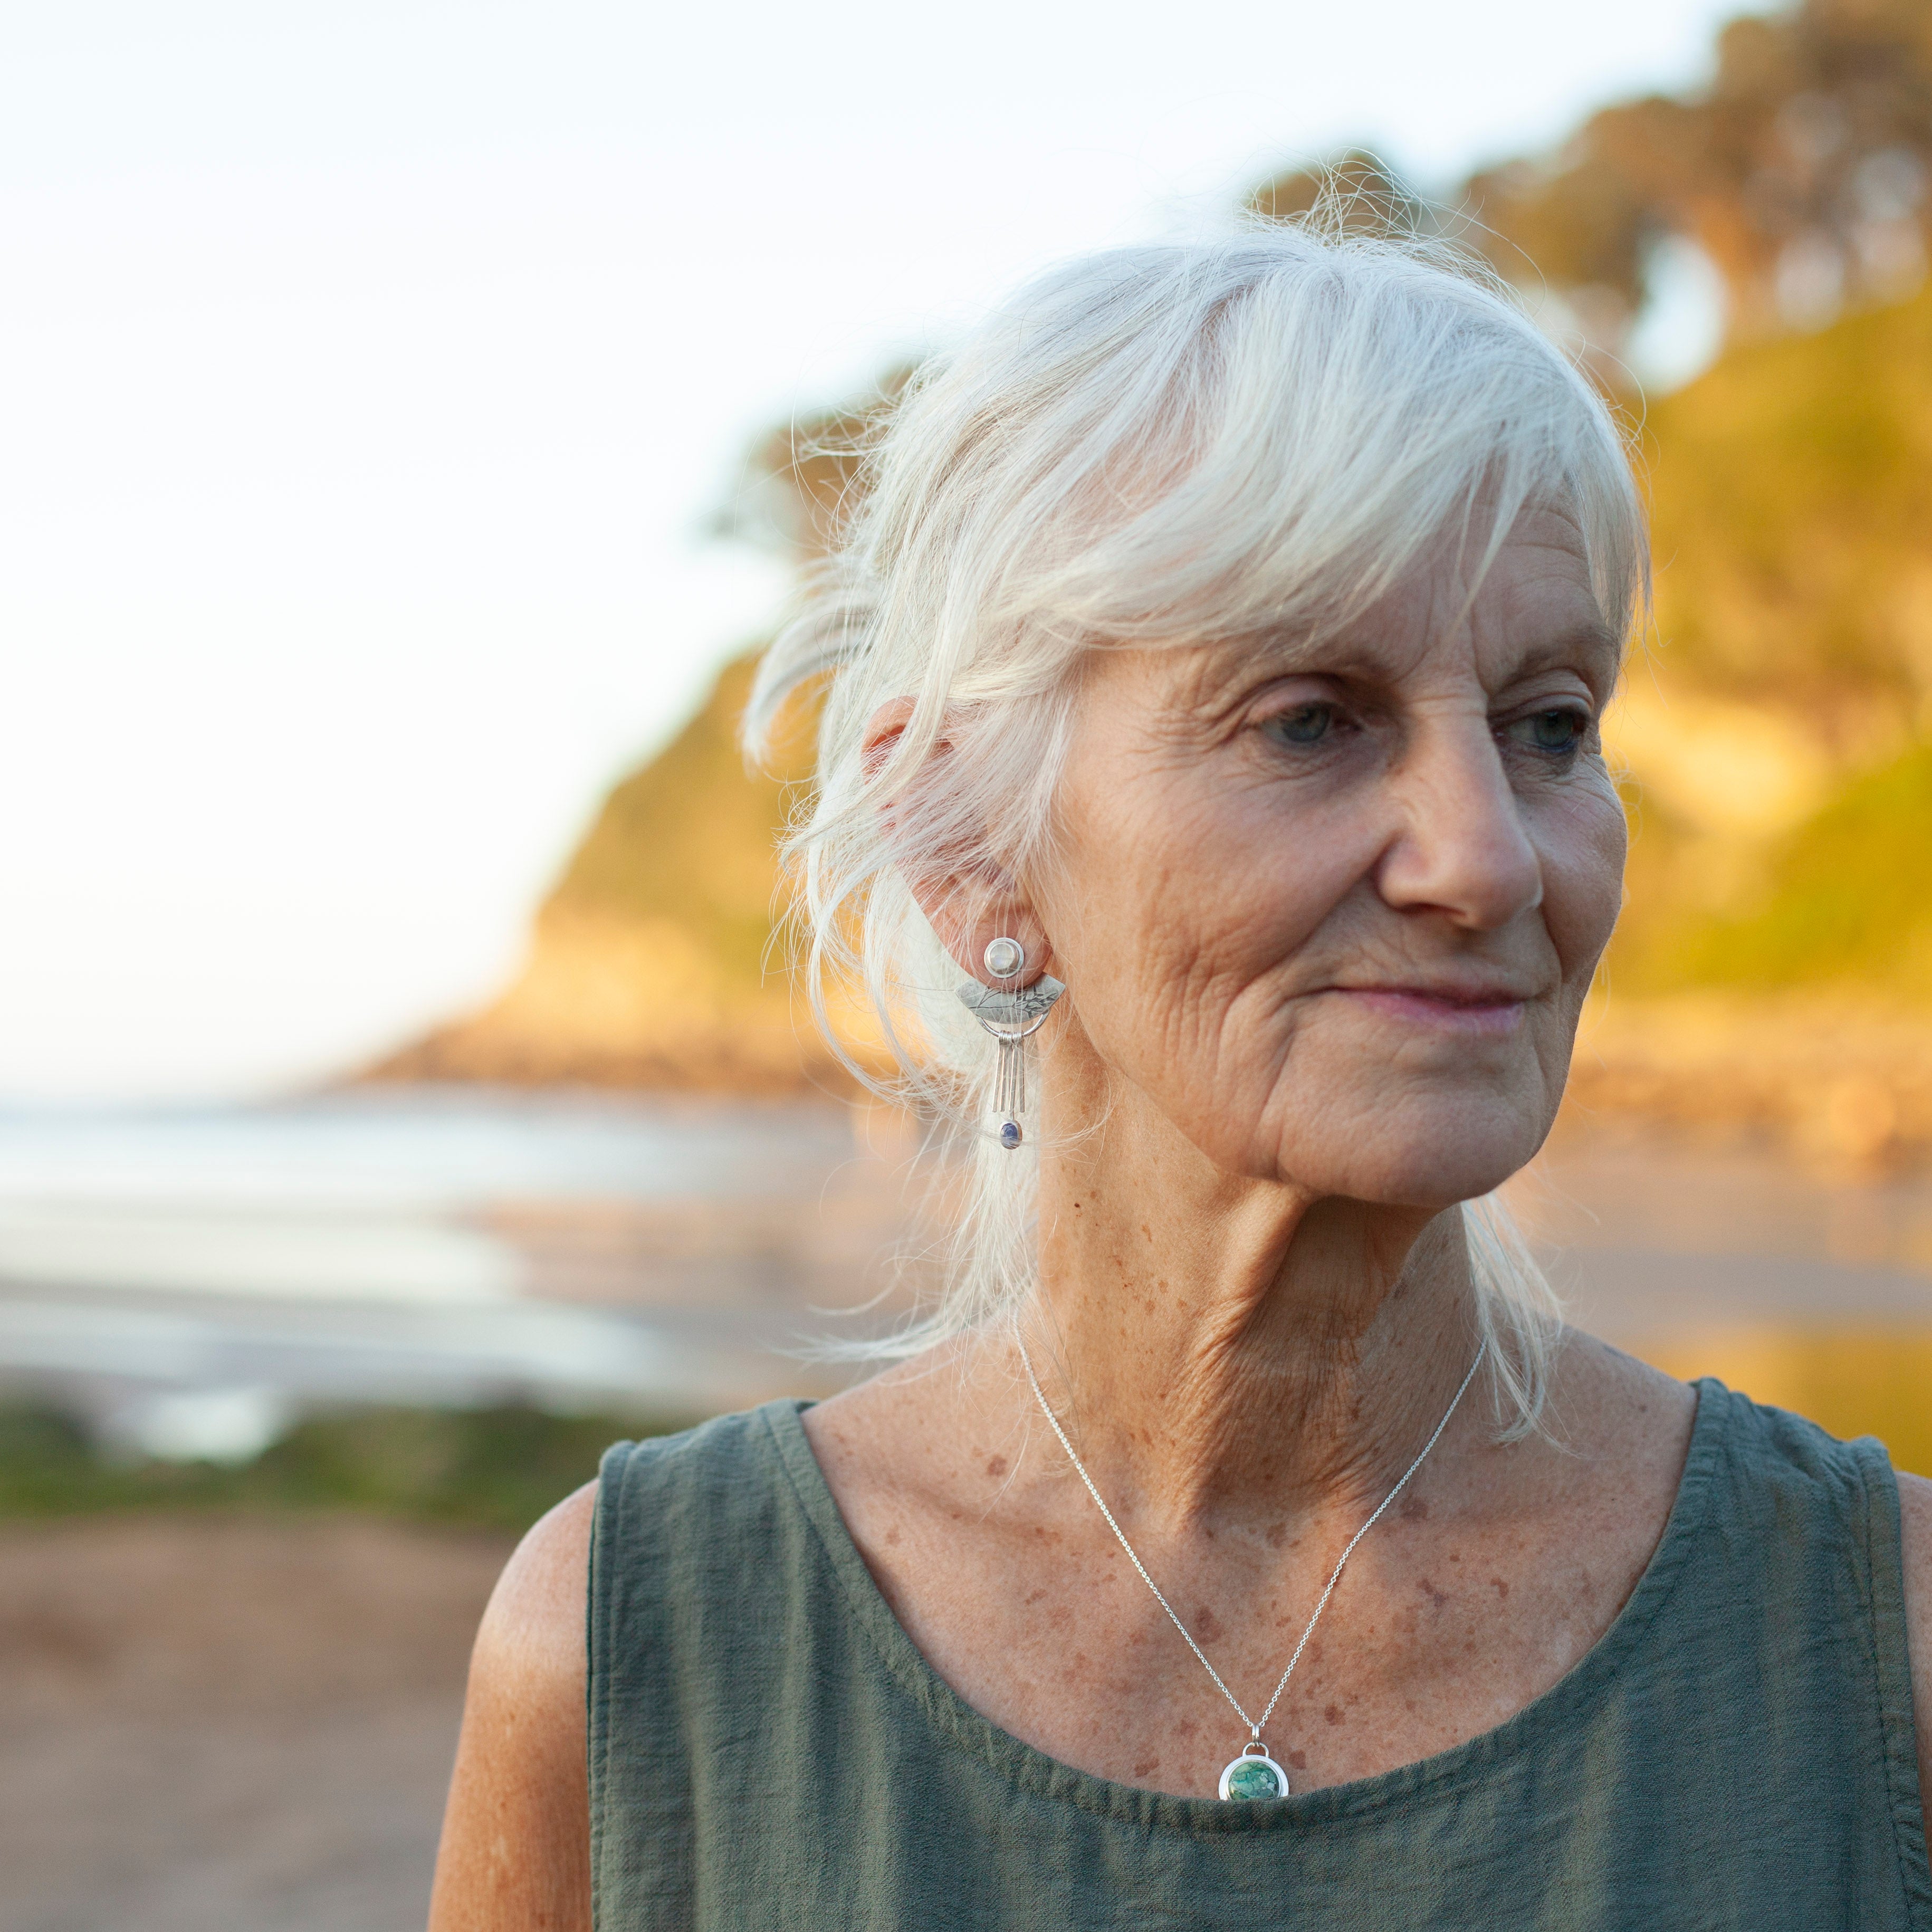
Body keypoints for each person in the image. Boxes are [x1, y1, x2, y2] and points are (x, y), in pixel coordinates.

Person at [428, 222, 1932, 1929]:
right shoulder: (640, 1655)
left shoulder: (1883, 1640)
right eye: (1310, 718)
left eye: (1549, 723)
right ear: (967, 839)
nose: (1488, 860)